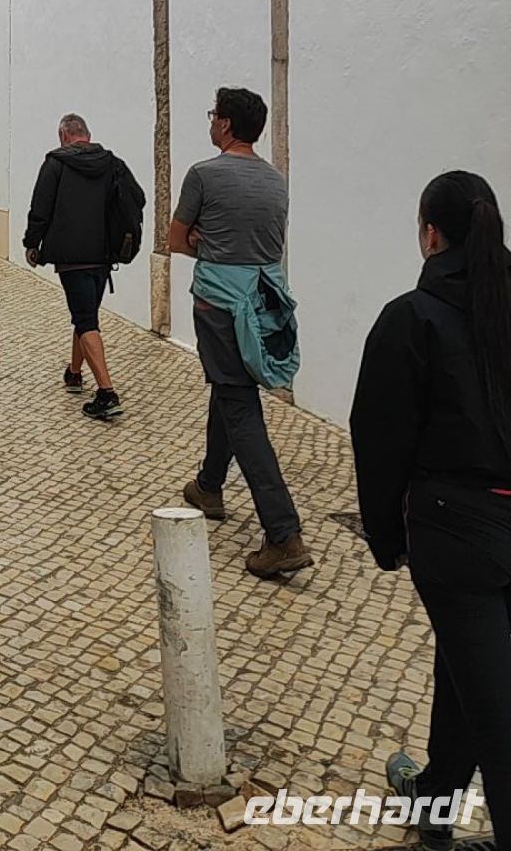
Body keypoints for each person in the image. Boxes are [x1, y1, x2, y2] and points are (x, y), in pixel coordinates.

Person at [351, 172, 511, 851]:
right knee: (472, 669)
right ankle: (436, 800)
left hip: (459, 531)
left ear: (431, 234)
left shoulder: (410, 317)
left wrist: (386, 537)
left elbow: (378, 436)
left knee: (497, 709)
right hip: (486, 528)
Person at [169, 87, 312, 579]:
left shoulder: (204, 175)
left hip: (219, 306)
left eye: (214, 116)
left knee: (240, 405)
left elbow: (174, 239)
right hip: (263, 300)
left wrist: (204, 243)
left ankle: (283, 533)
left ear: (226, 125)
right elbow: (268, 244)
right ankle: (209, 486)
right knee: (228, 388)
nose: (212, 123)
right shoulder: (277, 182)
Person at [23, 113, 142, 421]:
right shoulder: (113, 163)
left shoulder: (55, 163)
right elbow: (137, 198)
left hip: (71, 257)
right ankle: (74, 372)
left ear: (64, 136)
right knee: (86, 313)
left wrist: (32, 243)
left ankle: (107, 393)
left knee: (86, 318)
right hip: (103, 255)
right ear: (87, 135)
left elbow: (40, 207)